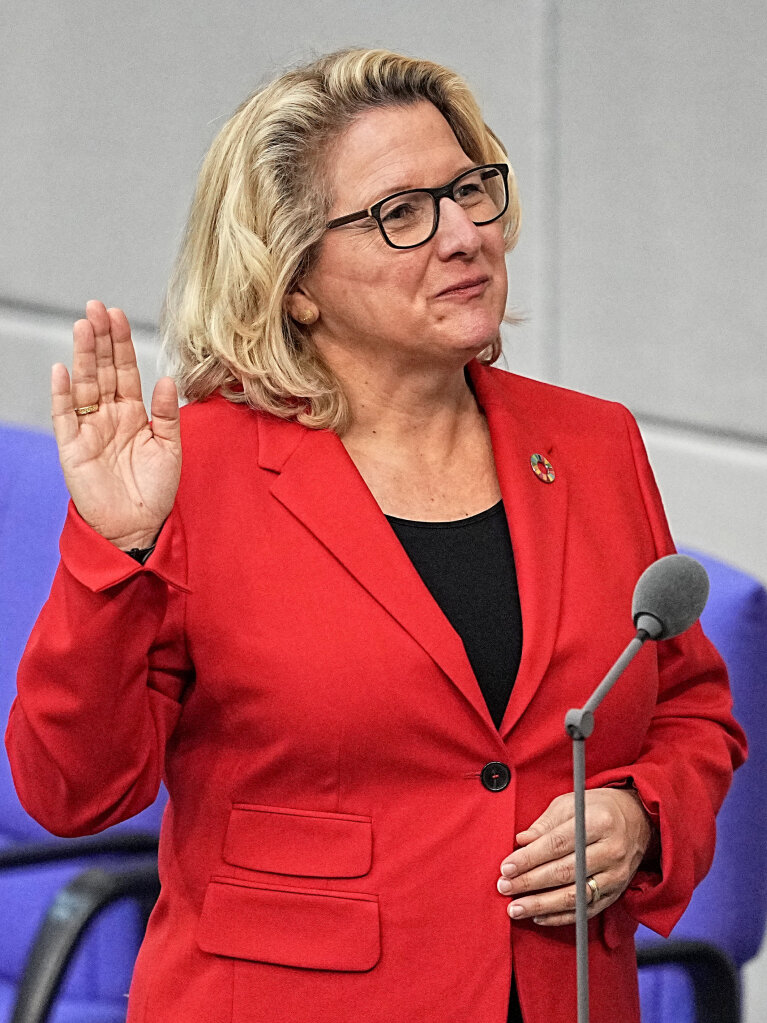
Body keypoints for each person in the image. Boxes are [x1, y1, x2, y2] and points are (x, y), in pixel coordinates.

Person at [5, 48, 746, 1023]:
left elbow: (688, 708)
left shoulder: (590, 443)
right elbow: (72, 793)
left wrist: (637, 817)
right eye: (401, 213)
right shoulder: (194, 470)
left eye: (470, 191)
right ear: (296, 275)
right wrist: (115, 551)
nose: (464, 235)